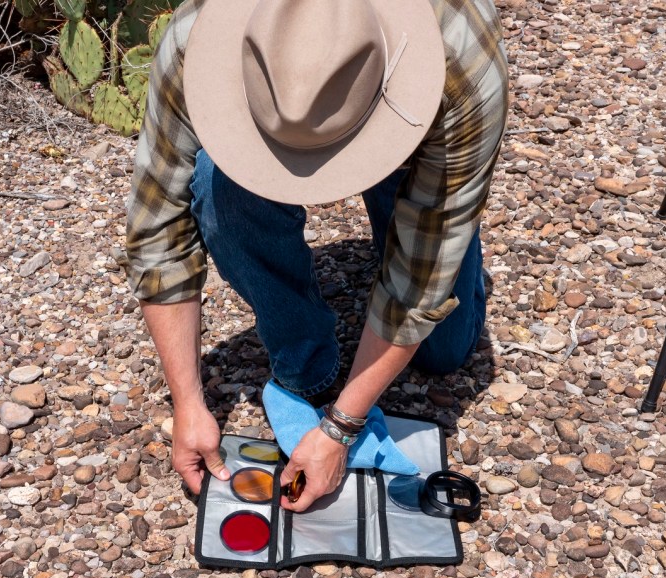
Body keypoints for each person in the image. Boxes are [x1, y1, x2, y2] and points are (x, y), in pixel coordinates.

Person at [126, 0, 509, 511]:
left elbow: (418, 288)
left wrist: (341, 429)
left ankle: (403, 186)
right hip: (336, 102)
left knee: (442, 352)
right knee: (220, 190)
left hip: (416, 118)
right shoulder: (194, 37)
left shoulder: (462, 59)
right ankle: (308, 360)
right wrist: (188, 404)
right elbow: (158, 228)